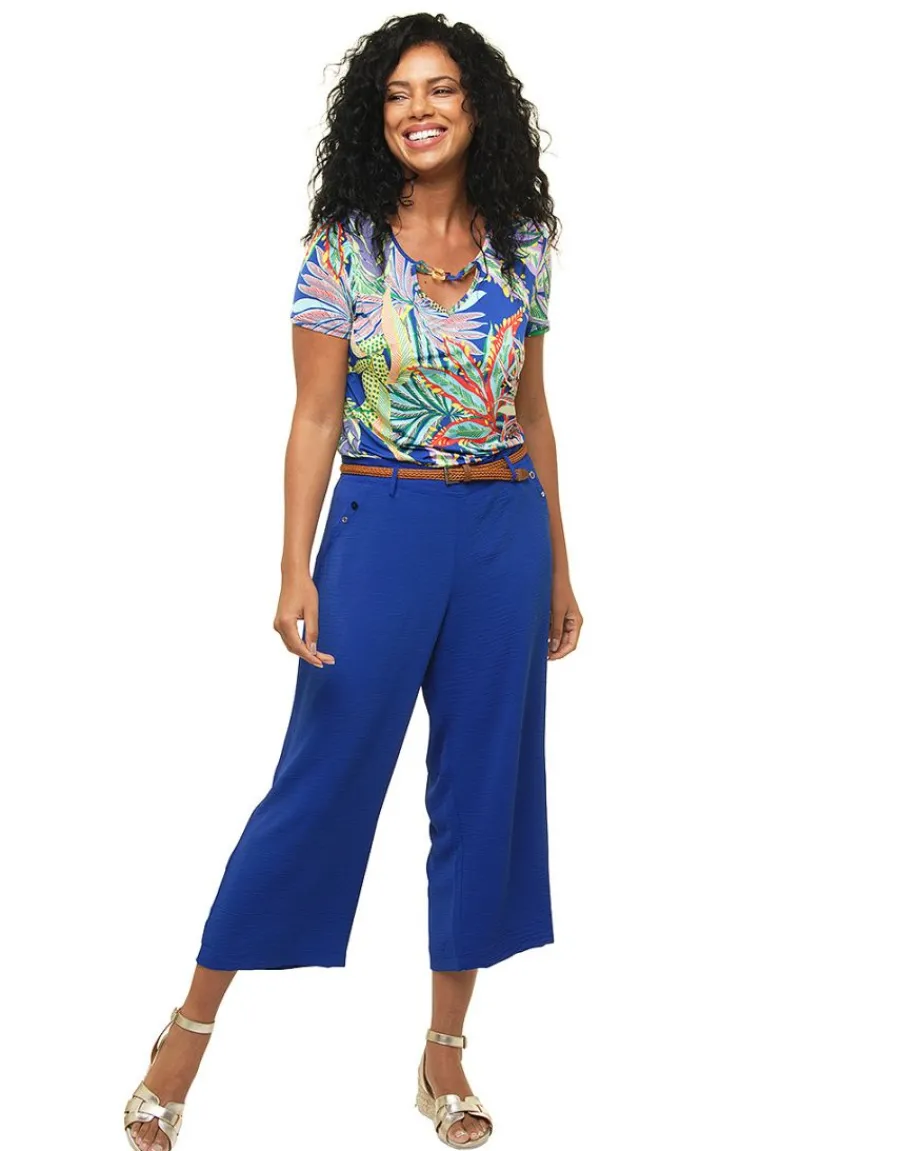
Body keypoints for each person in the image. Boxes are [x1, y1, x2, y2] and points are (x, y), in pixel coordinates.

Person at [123, 12, 582, 1151]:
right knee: (321, 779)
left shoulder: (524, 242)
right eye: (397, 94)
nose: (419, 110)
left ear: (477, 107)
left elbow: (532, 411)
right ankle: (187, 1031)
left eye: (441, 90)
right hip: (381, 522)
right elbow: (316, 414)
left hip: (504, 529)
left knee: (485, 787)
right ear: (377, 117)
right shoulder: (344, 249)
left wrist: (561, 563)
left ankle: (444, 1054)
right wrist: (294, 563)